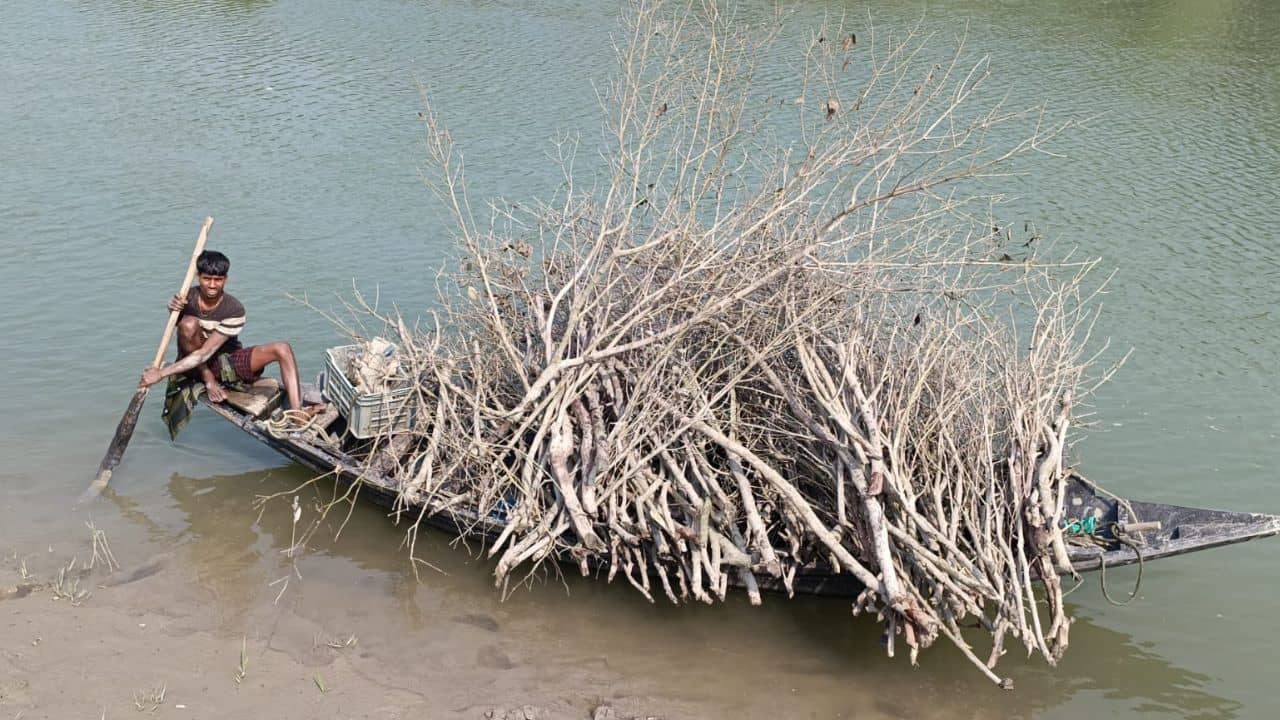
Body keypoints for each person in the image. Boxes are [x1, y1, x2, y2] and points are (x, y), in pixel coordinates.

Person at [139, 250, 324, 438]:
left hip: (223, 362)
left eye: (218, 280)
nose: (212, 285)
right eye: (206, 279)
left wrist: (160, 374)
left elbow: (204, 353)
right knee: (188, 324)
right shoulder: (187, 297)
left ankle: (297, 416)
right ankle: (208, 377)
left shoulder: (234, 308)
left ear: (226, 279)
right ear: (198, 277)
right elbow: (181, 331)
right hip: (192, 364)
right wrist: (172, 308)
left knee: (282, 348)